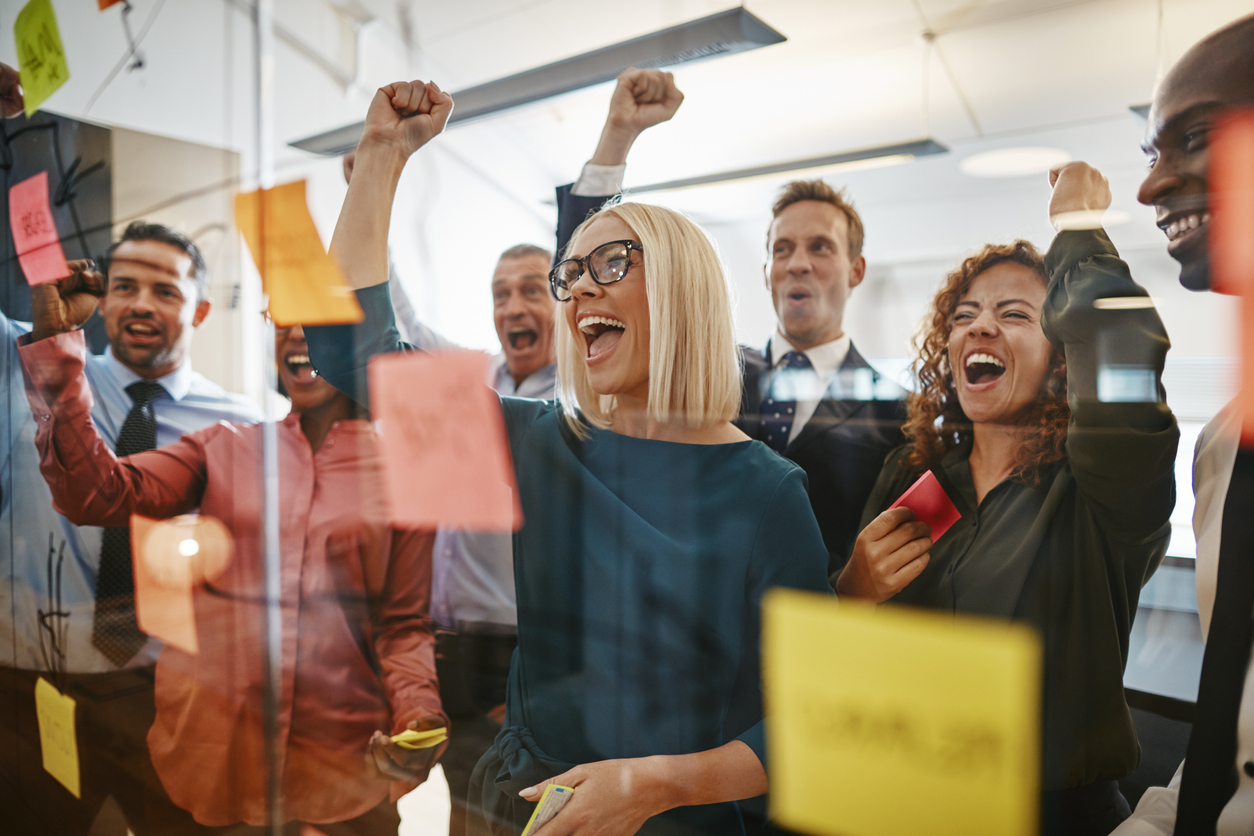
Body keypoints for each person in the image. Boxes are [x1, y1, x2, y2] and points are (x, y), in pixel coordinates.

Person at [304, 79, 832, 835]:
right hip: (529, 807)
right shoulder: (542, 441)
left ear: (681, 290)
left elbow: (804, 726)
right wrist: (383, 153)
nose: (578, 287)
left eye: (609, 263)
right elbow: (345, 346)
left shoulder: (769, 495)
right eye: (571, 274)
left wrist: (651, 787)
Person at [18, 261, 448, 833]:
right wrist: (55, 348)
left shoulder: (404, 477)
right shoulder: (224, 447)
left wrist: (419, 713)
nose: (296, 332)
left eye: (318, 318)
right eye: (283, 317)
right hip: (209, 760)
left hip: (343, 772)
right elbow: (95, 493)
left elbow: (403, 624)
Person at [837, 164, 1179, 835]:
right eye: (964, 317)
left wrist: (1077, 226)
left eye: (1014, 314)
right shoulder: (920, 475)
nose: (979, 329)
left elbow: (1124, 351)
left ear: (1061, 359)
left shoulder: (1101, 490)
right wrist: (849, 591)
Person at [556, 68, 907, 580]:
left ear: (856, 270)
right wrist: (617, 137)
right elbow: (585, 271)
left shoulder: (896, 410)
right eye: (782, 249)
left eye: (820, 247)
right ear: (766, 272)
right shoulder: (701, 368)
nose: (798, 263)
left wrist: (847, 592)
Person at [0, 218, 262, 833]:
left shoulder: (238, 426)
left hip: (161, 693)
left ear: (198, 312)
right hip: (25, 686)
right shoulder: (26, 366)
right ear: (103, 298)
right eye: (125, 286)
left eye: (166, 291)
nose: (142, 303)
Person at [343, 151, 560, 835]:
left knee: (489, 821)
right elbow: (392, 323)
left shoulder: (580, 405)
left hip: (513, 659)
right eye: (500, 293)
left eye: (531, 290)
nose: (512, 306)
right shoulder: (469, 378)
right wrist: (368, 194)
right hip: (433, 651)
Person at [1110, 12, 1254, 836]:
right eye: (1151, 153)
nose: (1152, 186)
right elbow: (1230, 742)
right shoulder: (1224, 448)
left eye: (1193, 138)